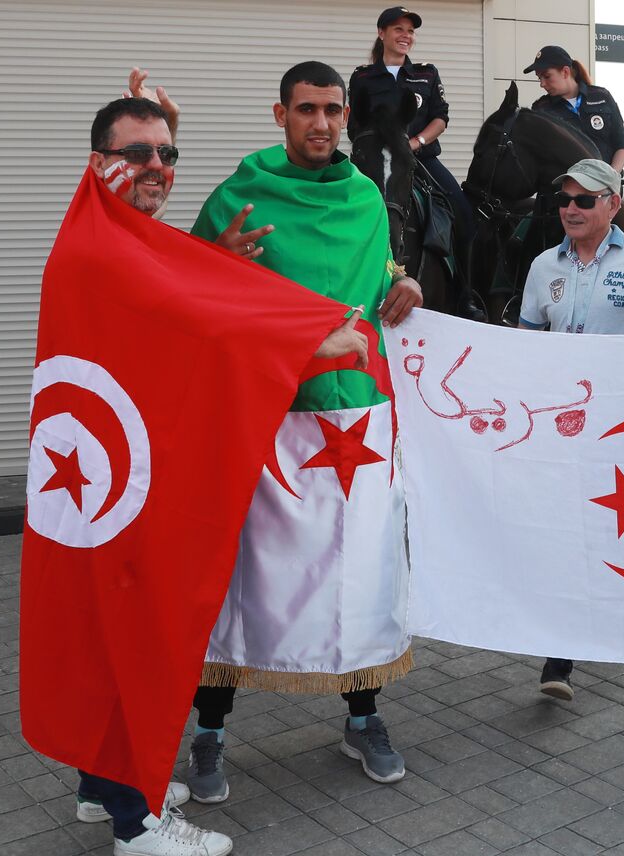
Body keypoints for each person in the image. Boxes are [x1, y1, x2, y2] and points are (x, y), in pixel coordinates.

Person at [74, 72, 365, 856]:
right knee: (144, 638)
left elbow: (188, 283)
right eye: (137, 155)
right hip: (126, 484)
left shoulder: (113, 228)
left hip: (121, 477)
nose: (159, 167)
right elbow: (202, 321)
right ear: (99, 162)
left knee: (120, 635)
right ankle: (139, 826)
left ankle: (105, 789)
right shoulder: (113, 246)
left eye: (169, 152)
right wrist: (313, 339)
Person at [187, 61, 421, 804]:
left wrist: (404, 285)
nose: (321, 123)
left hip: (356, 415)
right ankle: (211, 731)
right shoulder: (237, 197)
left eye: (332, 110)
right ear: (280, 114)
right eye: (306, 109)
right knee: (242, 577)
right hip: (264, 417)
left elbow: (380, 280)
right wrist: (215, 262)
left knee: (359, 571)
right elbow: (188, 295)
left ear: (347, 114)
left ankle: (363, 717)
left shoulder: (366, 198)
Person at [518, 158, 624, 699]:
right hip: (564, 426)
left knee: (621, 526)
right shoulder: (542, 267)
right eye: (565, 200)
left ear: (613, 202)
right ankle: (561, 656)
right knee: (568, 533)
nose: (571, 209)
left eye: (585, 200)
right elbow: (528, 344)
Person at [347, 6, 470, 226]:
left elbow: (440, 118)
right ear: (381, 33)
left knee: (463, 213)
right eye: (399, 29)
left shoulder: (427, 73)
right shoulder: (362, 76)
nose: (406, 35)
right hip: (376, 161)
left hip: (421, 158)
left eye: (411, 31)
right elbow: (354, 125)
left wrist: (415, 142)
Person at [525, 45, 624, 171]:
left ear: (565, 72)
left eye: (547, 76)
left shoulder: (602, 97)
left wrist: (611, 176)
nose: (542, 84)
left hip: (610, 187)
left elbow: (622, 143)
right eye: (539, 78)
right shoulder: (541, 109)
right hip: (565, 188)